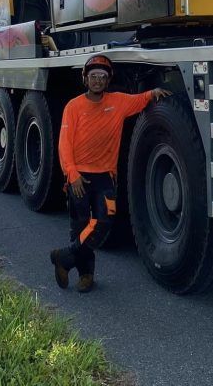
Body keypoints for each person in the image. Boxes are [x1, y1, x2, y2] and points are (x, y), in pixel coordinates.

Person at [50, 54, 172, 293]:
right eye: (93, 76)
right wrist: (72, 174)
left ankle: (63, 257)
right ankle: (86, 275)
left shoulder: (118, 102)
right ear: (85, 79)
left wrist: (154, 92)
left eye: (102, 77)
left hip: (105, 176)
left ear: (108, 81)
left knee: (103, 222)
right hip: (79, 177)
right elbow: (64, 144)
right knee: (80, 225)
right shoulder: (73, 107)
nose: (98, 81)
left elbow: (141, 99)